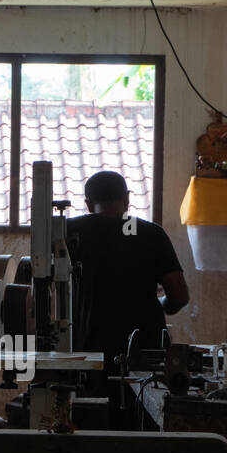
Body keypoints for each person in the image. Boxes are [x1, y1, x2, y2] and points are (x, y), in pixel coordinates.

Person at [68, 170, 189, 429]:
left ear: (88, 203)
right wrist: (160, 305)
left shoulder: (68, 232)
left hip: (88, 354)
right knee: (143, 426)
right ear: (127, 199)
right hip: (145, 355)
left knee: (92, 428)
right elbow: (179, 296)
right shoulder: (150, 233)